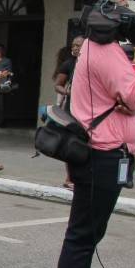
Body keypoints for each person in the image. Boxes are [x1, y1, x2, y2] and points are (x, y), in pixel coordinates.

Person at [48, 34, 135, 268]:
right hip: (101, 155)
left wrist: (132, 104)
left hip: (111, 153)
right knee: (82, 237)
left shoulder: (106, 51)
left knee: (89, 236)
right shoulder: (103, 50)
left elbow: (134, 105)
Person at [54, 35, 85, 189]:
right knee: (72, 144)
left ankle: (81, 177)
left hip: (88, 111)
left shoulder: (91, 63)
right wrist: (68, 92)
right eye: (73, 45)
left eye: (78, 45)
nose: (75, 48)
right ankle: (69, 178)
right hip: (71, 111)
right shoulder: (68, 64)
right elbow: (58, 85)